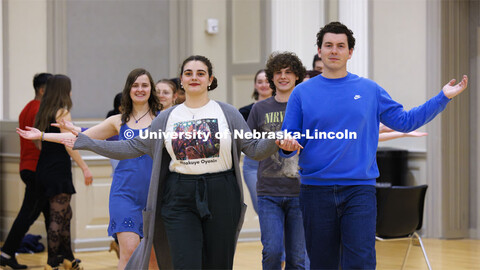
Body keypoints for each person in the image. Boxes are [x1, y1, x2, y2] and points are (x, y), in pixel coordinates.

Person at [18, 55, 300, 269]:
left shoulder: (226, 113)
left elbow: (253, 149)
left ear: (210, 80)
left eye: (200, 73)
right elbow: (132, 146)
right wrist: (82, 141)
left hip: (221, 191)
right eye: (188, 73)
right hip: (178, 194)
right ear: (181, 79)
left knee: (218, 263)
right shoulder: (168, 117)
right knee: (184, 262)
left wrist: (277, 141)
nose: (194, 77)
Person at [279, 21, 468, 269]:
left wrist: (442, 97)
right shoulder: (301, 93)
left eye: (340, 46)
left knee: (362, 261)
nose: (334, 50)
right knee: (323, 262)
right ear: (319, 50)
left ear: (350, 52)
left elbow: (405, 121)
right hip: (315, 191)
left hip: (359, 190)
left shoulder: (369, 90)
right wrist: (287, 145)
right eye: (328, 45)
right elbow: (290, 137)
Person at [45, 68, 160, 270]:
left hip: (156, 195)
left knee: (153, 259)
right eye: (135, 85)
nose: (140, 89)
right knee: (129, 251)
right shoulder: (118, 120)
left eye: (145, 85)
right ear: (128, 89)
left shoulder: (162, 120)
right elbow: (81, 139)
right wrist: (42, 136)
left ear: (151, 89)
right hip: (125, 194)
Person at [248, 52, 308, 269]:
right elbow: (250, 147)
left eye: (288, 72)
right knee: (272, 252)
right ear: (272, 77)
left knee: (298, 258)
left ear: (297, 76)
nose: (283, 76)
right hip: (268, 192)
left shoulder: (306, 107)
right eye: (278, 72)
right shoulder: (259, 109)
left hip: (300, 192)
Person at [33, 74, 92, 269]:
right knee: (58, 216)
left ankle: (68, 257)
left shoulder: (43, 111)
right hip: (58, 169)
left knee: (65, 214)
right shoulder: (62, 112)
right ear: (63, 91)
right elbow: (68, 144)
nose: (71, 92)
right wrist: (84, 167)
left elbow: (38, 141)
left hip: (44, 167)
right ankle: (52, 262)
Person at [0, 73, 52, 269]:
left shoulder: (26, 109)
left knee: (50, 214)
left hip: (28, 167)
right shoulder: (39, 110)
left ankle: (57, 256)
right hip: (36, 169)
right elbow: (39, 143)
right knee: (28, 214)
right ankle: (6, 253)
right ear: (42, 90)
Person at [238, 69, 273, 213]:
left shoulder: (285, 108)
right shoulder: (245, 112)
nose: (264, 85)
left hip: (278, 161)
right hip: (253, 164)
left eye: (267, 81)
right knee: (262, 208)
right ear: (255, 85)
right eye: (260, 82)